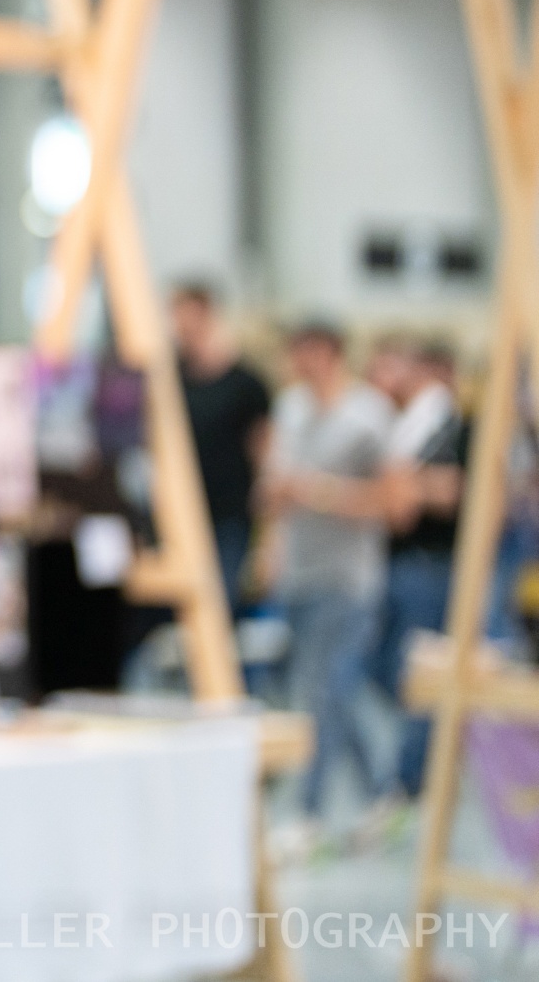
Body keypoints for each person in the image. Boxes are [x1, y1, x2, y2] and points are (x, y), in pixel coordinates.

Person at [261, 320, 393, 835]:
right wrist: (270, 543)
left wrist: (318, 492)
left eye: (307, 351)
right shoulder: (290, 408)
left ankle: (308, 813)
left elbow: (392, 502)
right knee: (332, 692)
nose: (299, 362)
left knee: (320, 693)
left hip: (348, 576)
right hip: (298, 571)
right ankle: (380, 793)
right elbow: (275, 487)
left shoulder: (368, 414)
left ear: (331, 353)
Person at [375, 335, 463, 798]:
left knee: (417, 672)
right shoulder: (404, 421)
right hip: (396, 559)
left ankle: (414, 776)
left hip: (430, 564)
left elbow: (448, 491)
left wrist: (402, 485)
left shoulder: (450, 423)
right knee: (385, 666)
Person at [171, 283, 270, 611]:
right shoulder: (170, 379)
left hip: (229, 512)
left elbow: (262, 449)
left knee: (218, 602)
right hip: (180, 509)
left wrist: (268, 529)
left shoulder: (245, 383)